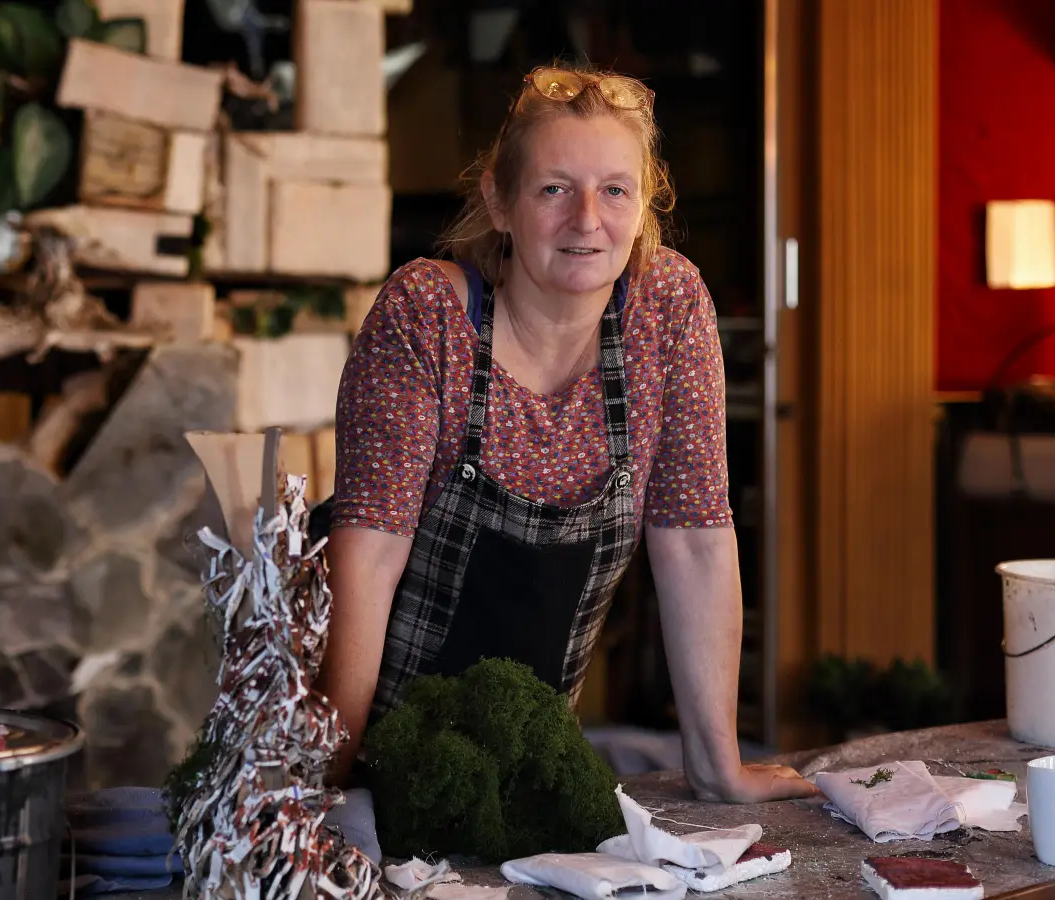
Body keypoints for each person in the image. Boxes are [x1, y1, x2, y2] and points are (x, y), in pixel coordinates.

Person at [314, 63, 817, 805]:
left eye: (614, 189)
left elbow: (696, 539)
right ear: (500, 199)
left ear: (643, 204)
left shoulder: (667, 309)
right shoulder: (427, 316)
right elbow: (368, 558)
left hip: (525, 763)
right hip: (373, 751)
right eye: (554, 188)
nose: (588, 220)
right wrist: (327, 784)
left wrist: (718, 768)